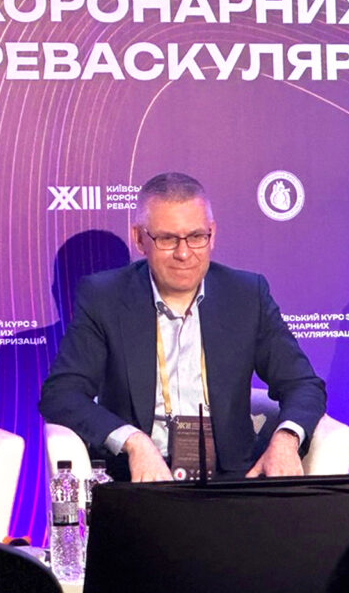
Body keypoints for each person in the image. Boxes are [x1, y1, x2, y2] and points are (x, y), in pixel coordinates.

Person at [39, 172, 326, 481]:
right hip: (140, 479)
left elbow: (303, 384)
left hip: (231, 481)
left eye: (196, 236)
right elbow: (62, 394)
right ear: (140, 239)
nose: (184, 253)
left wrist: (286, 439)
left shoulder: (246, 295)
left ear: (212, 234)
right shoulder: (104, 297)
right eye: (167, 239)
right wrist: (133, 441)